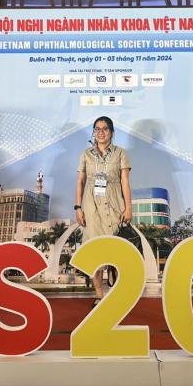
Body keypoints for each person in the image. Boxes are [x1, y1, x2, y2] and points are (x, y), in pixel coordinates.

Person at [75, 116, 132, 305]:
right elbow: (80, 181)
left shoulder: (121, 153)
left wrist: (128, 207)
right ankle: (99, 295)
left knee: (116, 249)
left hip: (115, 203)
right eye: (97, 129)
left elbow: (125, 182)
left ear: (112, 132)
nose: (101, 132)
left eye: (105, 129)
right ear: (93, 132)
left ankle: (116, 290)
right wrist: (78, 207)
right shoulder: (85, 154)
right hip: (92, 205)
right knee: (96, 251)